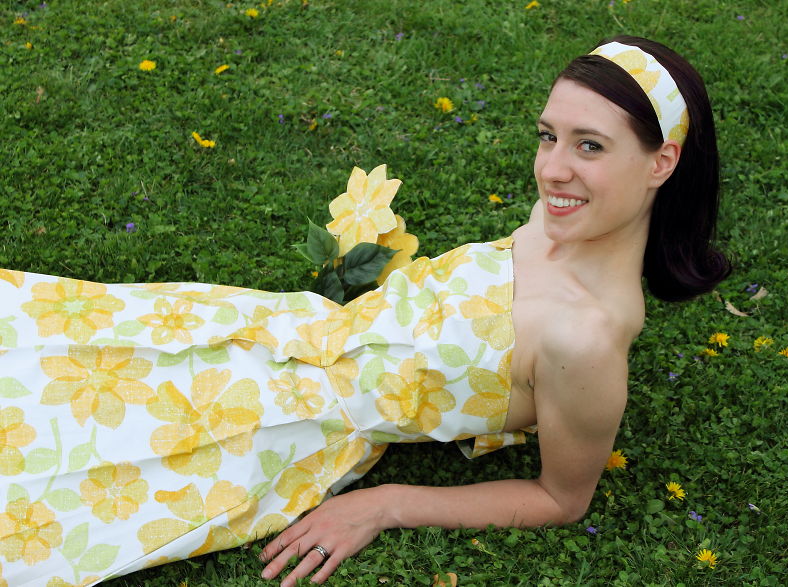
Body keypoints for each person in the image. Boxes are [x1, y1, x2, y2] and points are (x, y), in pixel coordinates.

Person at [0, 35, 728, 586]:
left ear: (660, 162)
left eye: (590, 146)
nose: (551, 169)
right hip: (285, 329)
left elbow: (560, 497)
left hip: (290, 423)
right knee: (49, 341)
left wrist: (386, 504)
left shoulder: (587, 338)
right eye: (548, 135)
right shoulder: (560, 219)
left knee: (62, 467)